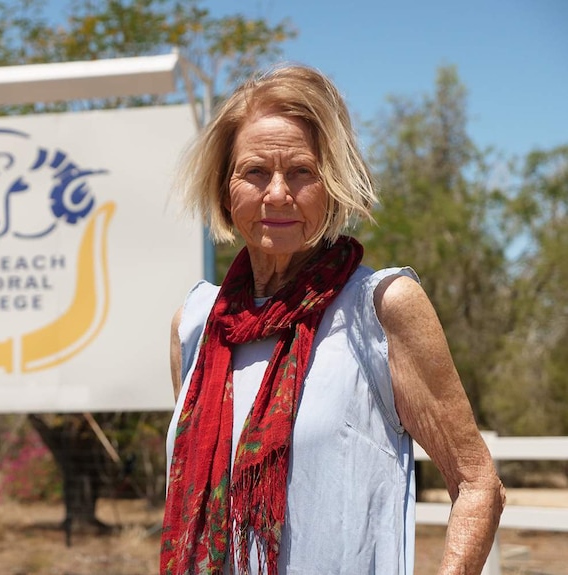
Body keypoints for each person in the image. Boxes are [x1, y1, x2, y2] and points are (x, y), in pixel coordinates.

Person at [161, 64, 505, 575]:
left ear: (334, 185)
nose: (277, 193)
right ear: (223, 189)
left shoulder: (381, 306)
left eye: (301, 172)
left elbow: (479, 485)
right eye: (255, 172)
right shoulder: (195, 325)